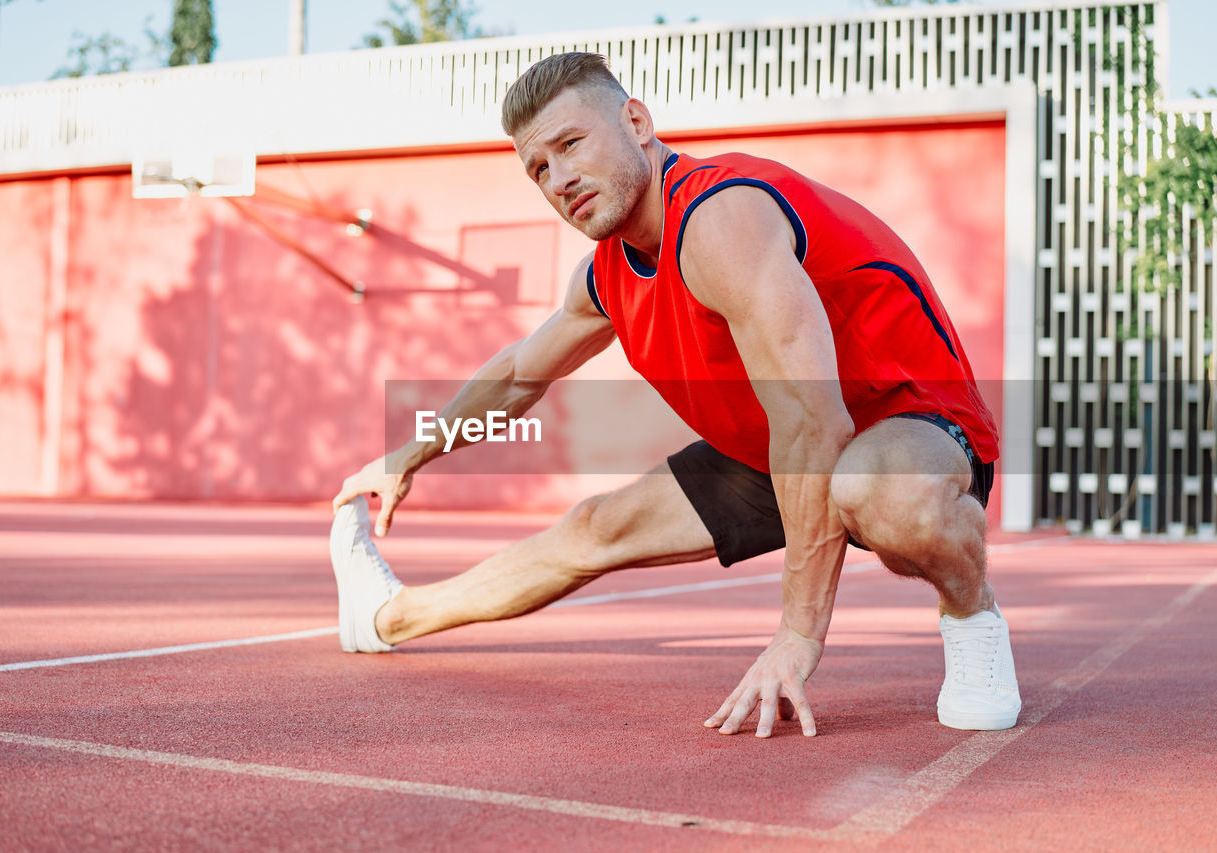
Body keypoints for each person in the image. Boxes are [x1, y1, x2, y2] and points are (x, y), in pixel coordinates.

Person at [330, 52, 1020, 738]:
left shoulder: (722, 218)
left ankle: (973, 614)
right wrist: (406, 455)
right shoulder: (606, 274)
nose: (560, 178)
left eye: (572, 144)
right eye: (539, 169)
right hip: (774, 446)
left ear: (636, 122)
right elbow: (518, 373)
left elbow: (813, 420)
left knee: (880, 493)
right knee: (595, 529)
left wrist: (796, 635)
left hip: (907, 422)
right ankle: (386, 614)